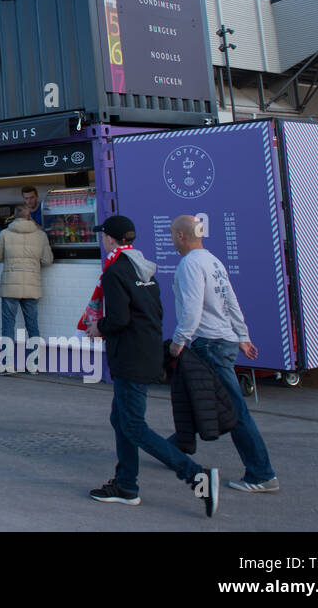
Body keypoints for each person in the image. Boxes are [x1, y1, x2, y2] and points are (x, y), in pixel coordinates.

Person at [85, 215, 218, 516]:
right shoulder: (145, 269)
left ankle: (197, 476)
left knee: (133, 425)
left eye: (104, 236)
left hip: (129, 358)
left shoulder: (114, 272)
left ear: (110, 239)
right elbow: (154, 313)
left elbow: (119, 319)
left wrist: (98, 328)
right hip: (146, 353)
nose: (102, 240)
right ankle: (126, 485)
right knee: (121, 420)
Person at [169, 215, 278, 493]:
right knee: (199, 398)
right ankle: (171, 449)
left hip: (209, 343)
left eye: (172, 234)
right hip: (223, 339)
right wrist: (242, 335)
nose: (172, 239)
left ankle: (261, 473)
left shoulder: (190, 264)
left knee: (234, 410)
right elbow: (230, 299)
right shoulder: (213, 261)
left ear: (181, 236)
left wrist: (179, 341)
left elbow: (192, 308)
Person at [0, 205, 54, 373]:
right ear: (30, 217)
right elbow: (48, 260)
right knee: (32, 325)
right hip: (32, 285)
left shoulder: (5, 233)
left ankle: (8, 365)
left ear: (14, 215)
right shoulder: (41, 235)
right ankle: (34, 364)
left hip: (10, 285)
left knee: (8, 326)